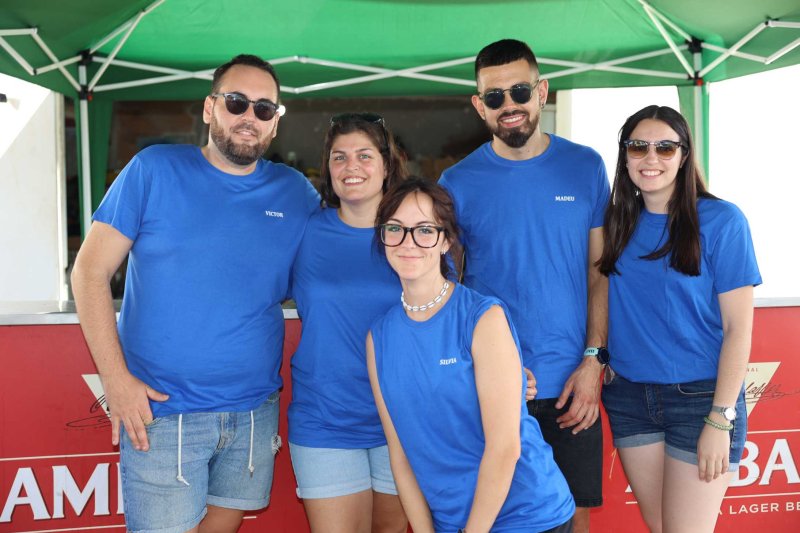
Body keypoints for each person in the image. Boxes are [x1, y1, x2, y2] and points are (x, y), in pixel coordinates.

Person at [71, 54, 320, 533]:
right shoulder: (153, 169)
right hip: (162, 412)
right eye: (236, 102)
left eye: (264, 108)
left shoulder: (295, 193)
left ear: (275, 122)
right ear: (210, 108)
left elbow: (330, 267)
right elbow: (89, 272)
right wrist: (115, 380)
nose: (249, 116)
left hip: (254, 411)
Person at [438, 38, 609, 531]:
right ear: (479, 106)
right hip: (494, 390)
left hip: (572, 387)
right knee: (499, 521)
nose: (509, 105)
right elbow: (449, 290)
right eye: (495, 97)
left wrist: (594, 361)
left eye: (519, 91)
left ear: (542, 91)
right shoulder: (456, 182)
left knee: (573, 521)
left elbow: (599, 272)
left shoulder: (586, 166)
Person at [366, 178, 575, 533]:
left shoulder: (483, 317)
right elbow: (401, 456)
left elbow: (504, 448)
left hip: (527, 517)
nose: (408, 242)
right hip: (452, 522)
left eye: (424, 230)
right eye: (395, 228)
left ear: (446, 240)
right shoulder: (379, 338)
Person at [598, 105, 760, 532]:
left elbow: (739, 329)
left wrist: (720, 417)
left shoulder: (723, 221)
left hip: (701, 400)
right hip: (630, 398)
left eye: (665, 148)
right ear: (625, 155)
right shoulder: (615, 222)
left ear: (684, 155)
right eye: (638, 147)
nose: (651, 158)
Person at [287, 113, 408, 533]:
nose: (350, 166)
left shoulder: (414, 232)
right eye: (339, 157)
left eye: (364, 155)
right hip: (325, 417)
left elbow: (450, 314)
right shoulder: (304, 233)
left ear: (387, 165)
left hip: (403, 419)